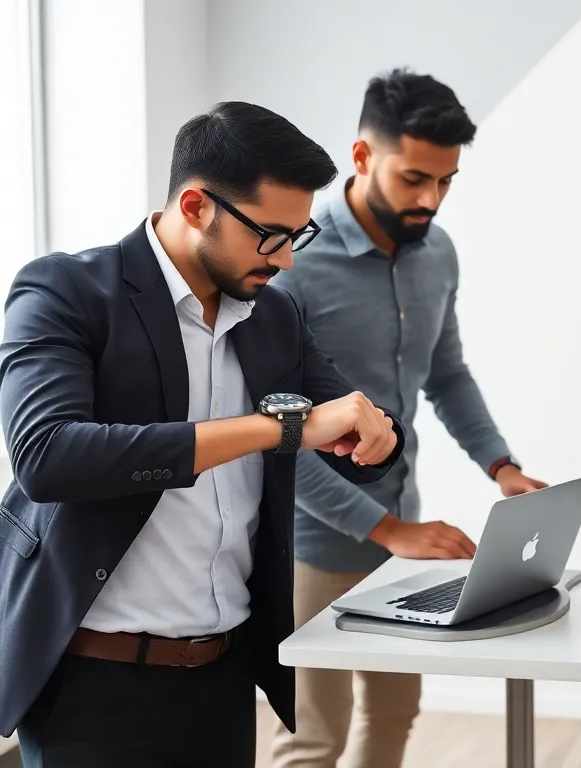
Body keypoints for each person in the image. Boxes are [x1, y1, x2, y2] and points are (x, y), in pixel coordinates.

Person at [0, 101, 406, 767]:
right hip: (92, 686)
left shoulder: (273, 315)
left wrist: (375, 438)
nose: (286, 261)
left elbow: (349, 424)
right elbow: (49, 456)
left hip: (223, 675)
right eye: (271, 236)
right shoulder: (66, 292)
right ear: (195, 207)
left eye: (297, 237)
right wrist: (276, 429)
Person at [267, 68, 547, 768]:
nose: (431, 199)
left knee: (393, 713)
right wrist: (393, 532)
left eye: (446, 181)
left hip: (400, 538)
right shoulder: (290, 265)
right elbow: (275, 437)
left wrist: (501, 466)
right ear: (362, 158)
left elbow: (445, 374)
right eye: (415, 178)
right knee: (311, 738)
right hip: (308, 545)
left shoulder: (438, 254)